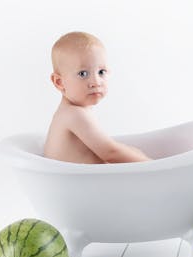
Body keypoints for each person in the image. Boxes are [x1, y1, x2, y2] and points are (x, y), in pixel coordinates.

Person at [43, 31, 151, 164]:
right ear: (59, 82)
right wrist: (151, 164)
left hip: (86, 182)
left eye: (101, 72)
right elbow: (111, 153)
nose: (96, 82)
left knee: (134, 152)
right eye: (83, 74)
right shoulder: (73, 114)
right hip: (79, 184)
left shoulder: (74, 112)